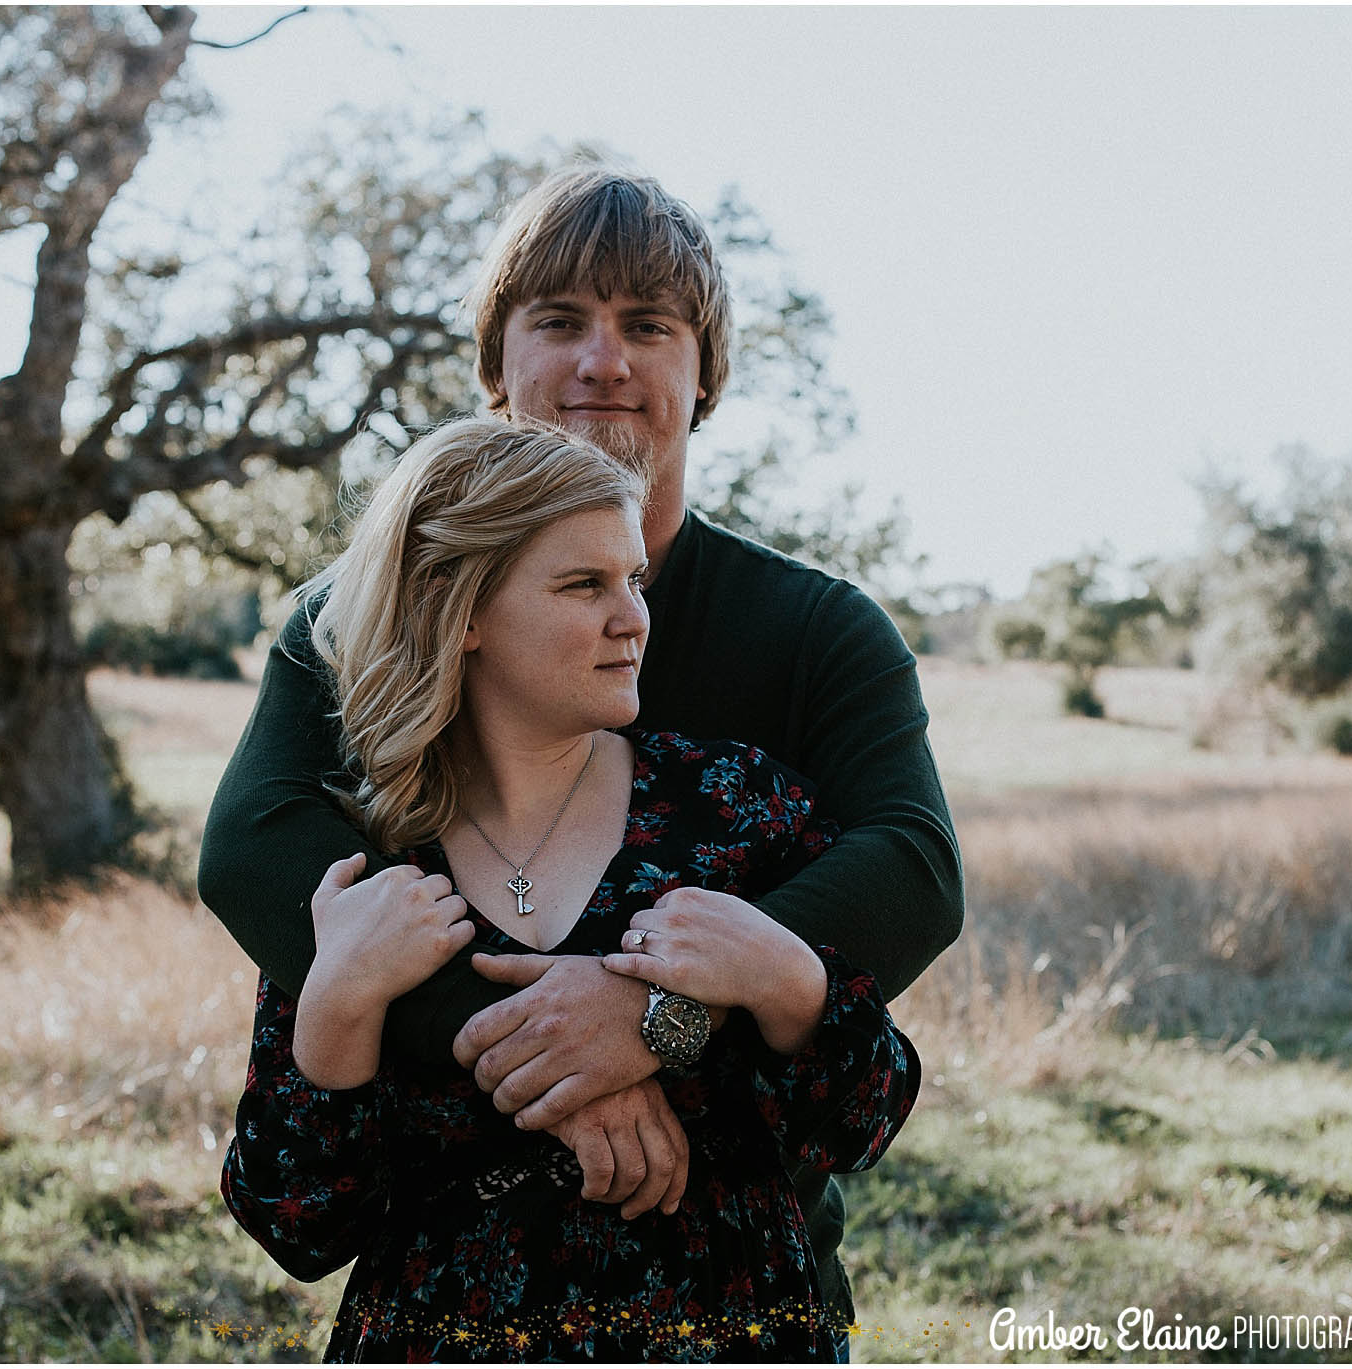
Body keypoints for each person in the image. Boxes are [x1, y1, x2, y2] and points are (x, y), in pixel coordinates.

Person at [199, 166, 963, 1323]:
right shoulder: (362, 613)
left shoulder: (814, 636)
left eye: (646, 326)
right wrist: (533, 1056)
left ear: (702, 373)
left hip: (736, 1281)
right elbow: (256, 850)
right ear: (494, 364)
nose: (601, 361)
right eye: (557, 321)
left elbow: (909, 870)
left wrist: (656, 1018)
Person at [221, 417, 920, 1360]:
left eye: (632, 579)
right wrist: (340, 1001)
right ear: (459, 608)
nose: (633, 615)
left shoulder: (736, 809)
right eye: (584, 584)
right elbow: (294, 1223)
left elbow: (862, 1122)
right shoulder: (370, 867)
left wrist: (790, 984)